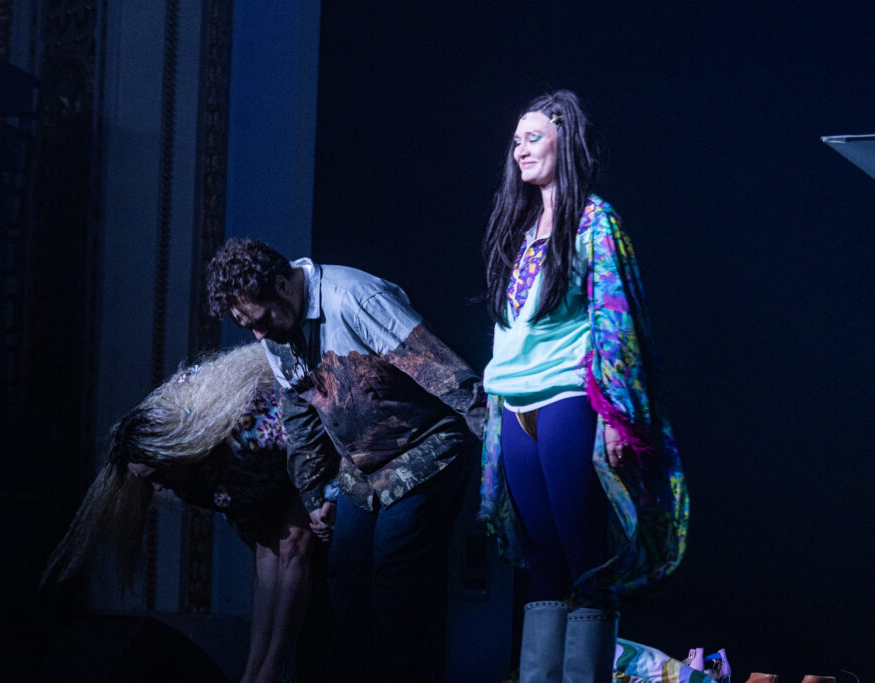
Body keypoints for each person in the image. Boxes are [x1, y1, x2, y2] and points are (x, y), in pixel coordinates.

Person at [477, 89, 689, 682]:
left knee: (580, 545)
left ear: (564, 144)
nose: (520, 150)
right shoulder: (518, 226)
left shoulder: (595, 220)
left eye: (533, 138)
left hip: (568, 397)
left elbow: (615, 319)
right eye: (516, 141)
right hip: (514, 402)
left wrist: (618, 416)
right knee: (541, 551)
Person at [206, 238, 486, 683]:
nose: (258, 336)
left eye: (260, 321)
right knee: (347, 580)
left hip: (426, 450)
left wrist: (497, 449)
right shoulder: (278, 334)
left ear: (283, 285)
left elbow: (444, 372)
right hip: (363, 468)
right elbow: (300, 418)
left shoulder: (355, 297)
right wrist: (315, 494)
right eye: (249, 327)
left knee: (397, 581)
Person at [40, 343, 319, 683]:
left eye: (157, 475)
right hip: (252, 478)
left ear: (172, 454)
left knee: (292, 545)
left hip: (305, 447)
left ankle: (272, 670)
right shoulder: (189, 482)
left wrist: (323, 498)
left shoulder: (245, 431)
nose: (158, 488)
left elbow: (309, 437)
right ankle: (253, 674)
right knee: (266, 554)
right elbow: (254, 535)